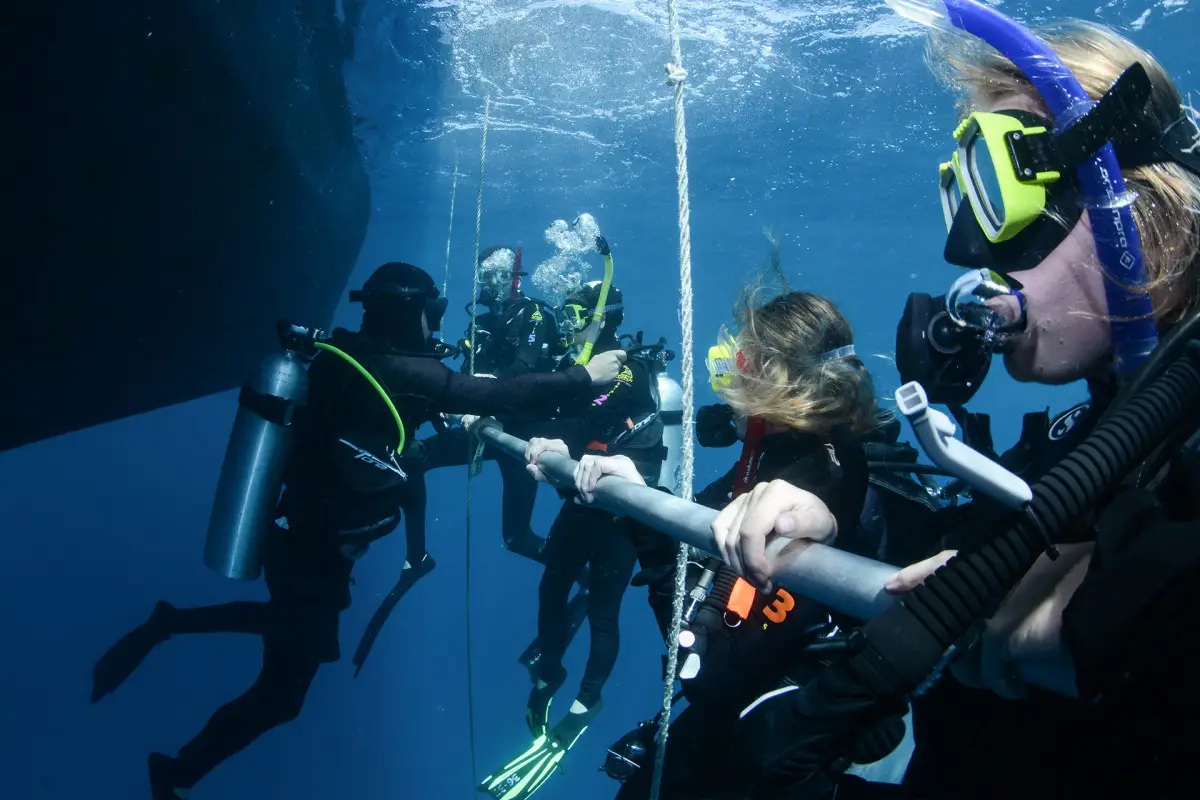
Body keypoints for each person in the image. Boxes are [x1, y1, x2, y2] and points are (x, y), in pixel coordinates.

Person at [714, 9, 1200, 798]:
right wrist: (832, 504)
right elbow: (968, 544)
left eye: (999, 188)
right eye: (961, 195)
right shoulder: (1106, 428)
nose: (966, 249)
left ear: (1147, 216)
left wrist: (1102, 616)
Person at [89, 262, 627, 800]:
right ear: (408, 311)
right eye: (431, 310)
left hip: (304, 537)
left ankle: (176, 757)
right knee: (289, 674)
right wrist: (585, 378)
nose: (434, 322)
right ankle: (172, 670)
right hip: (313, 549)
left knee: (285, 678)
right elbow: (484, 396)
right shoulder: (392, 366)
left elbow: (418, 413)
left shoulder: (349, 356)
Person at [578, 286, 899, 800]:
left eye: (740, 361)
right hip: (744, 716)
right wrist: (635, 493)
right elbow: (700, 525)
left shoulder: (814, 470)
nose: (728, 380)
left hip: (771, 739)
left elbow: (708, 671)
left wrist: (810, 510)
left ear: (773, 373)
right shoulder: (774, 451)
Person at [477, 278, 667, 800]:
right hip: (582, 503)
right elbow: (555, 406)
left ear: (601, 317)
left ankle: (588, 702)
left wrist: (563, 436)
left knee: (603, 611)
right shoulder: (578, 360)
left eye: (576, 314)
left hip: (621, 512)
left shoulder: (627, 365)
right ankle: (549, 677)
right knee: (550, 587)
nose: (567, 323)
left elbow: (604, 408)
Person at [349, 246, 568, 677]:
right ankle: (417, 559)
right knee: (413, 457)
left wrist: (475, 390)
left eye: (500, 276)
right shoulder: (479, 324)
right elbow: (459, 377)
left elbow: (523, 371)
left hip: (521, 437)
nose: (491, 284)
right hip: (483, 430)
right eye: (486, 276)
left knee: (517, 538)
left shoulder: (534, 315)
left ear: (515, 278)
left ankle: (576, 570)